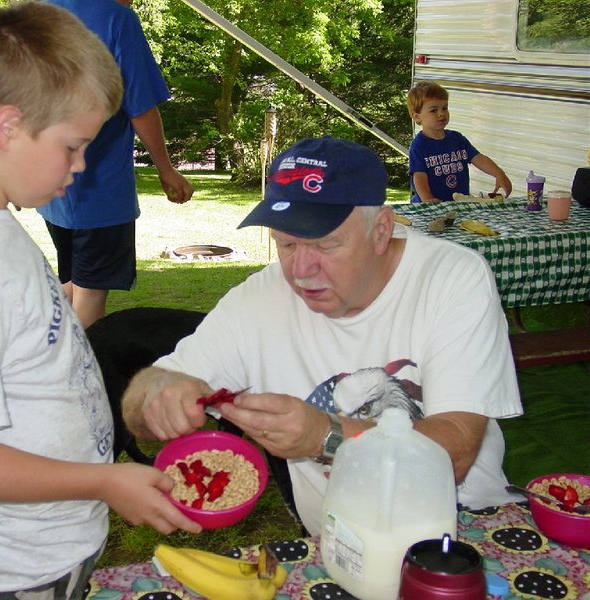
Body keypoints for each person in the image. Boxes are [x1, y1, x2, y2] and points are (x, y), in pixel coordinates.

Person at [0, 4, 201, 598]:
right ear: (7, 126)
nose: (82, 167)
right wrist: (106, 481)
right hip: (15, 566)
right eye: (73, 145)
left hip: (42, 539)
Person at [121, 136, 524, 537]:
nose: (300, 270)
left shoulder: (451, 277)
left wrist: (325, 436)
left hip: (465, 527)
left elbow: (455, 450)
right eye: (286, 243)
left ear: (381, 230)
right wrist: (159, 395)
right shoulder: (259, 299)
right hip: (339, 543)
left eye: (325, 244)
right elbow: (142, 396)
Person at [37, 0, 195, 329]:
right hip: (99, 194)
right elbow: (140, 107)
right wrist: (166, 169)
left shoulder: (40, 11)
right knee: (90, 297)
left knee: (71, 284)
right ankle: (81, 379)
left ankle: (48, 371)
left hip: (52, 192)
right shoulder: (117, 20)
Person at [406, 80, 512, 203]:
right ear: (417, 116)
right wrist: (428, 199)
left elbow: (479, 159)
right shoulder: (419, 145)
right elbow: (419, 177)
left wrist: (499, 174)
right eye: (433, 110)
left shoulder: (457, 138)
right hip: (430, 208)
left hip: (460, 204)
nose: (441, 114)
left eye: (444, 108)